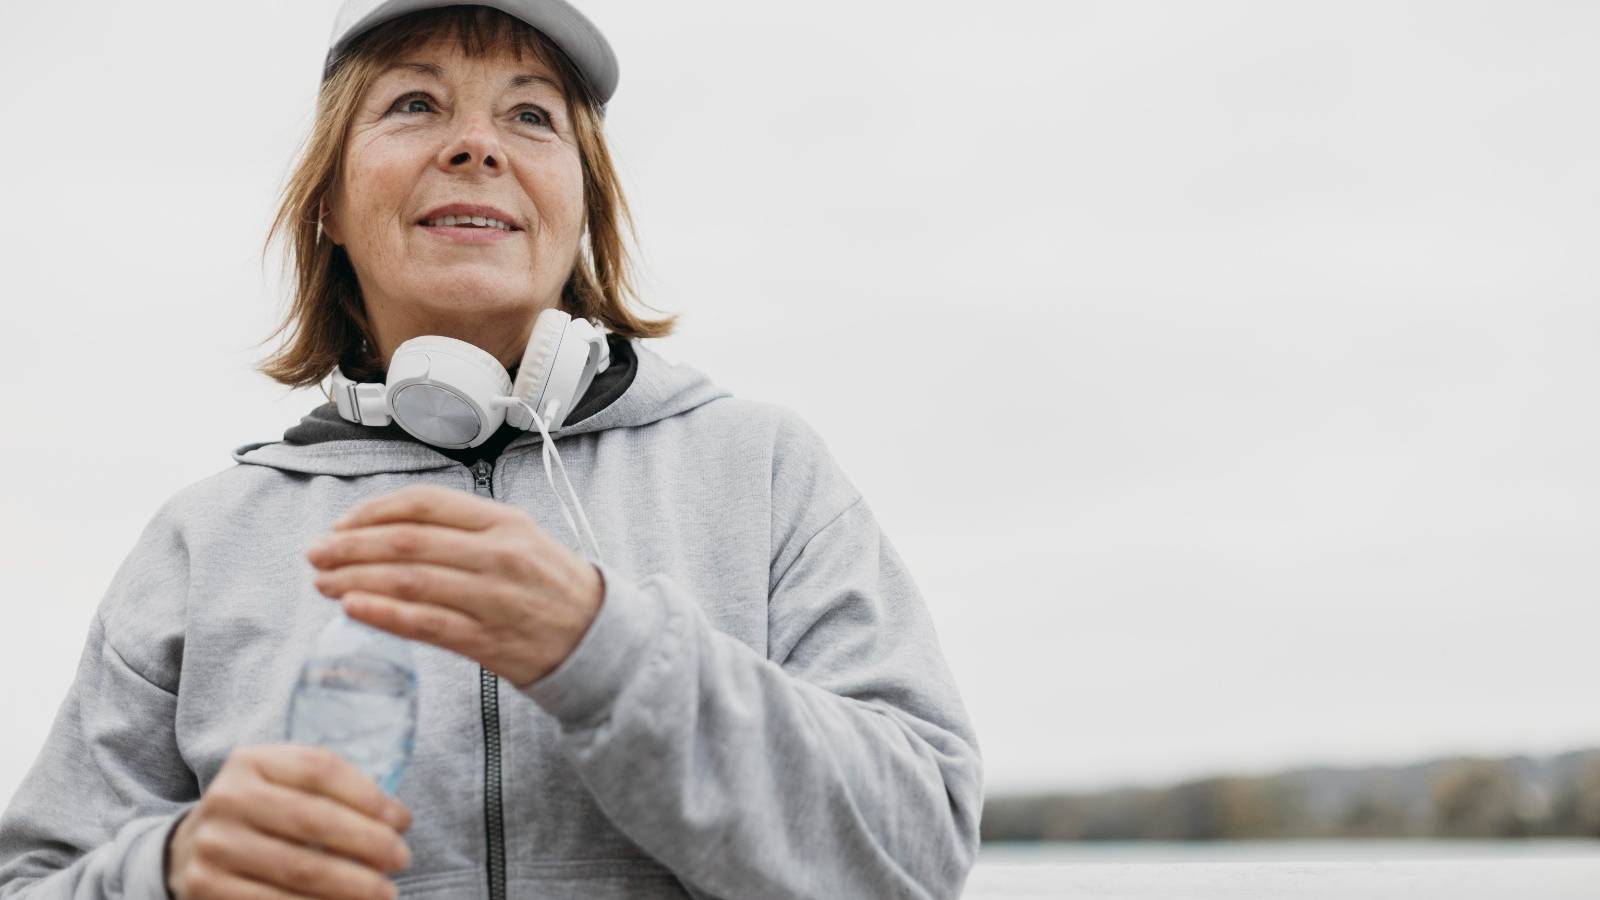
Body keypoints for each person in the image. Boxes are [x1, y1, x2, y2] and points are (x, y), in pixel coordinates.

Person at [0, 2, 983, 898]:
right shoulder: (200, 539)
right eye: (415, 103)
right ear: (330, 207)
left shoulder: (763, 470)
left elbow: (920, 854)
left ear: (579, 207)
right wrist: (164, 874)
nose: (475, 145)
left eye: (530, 116)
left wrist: (606, 652)